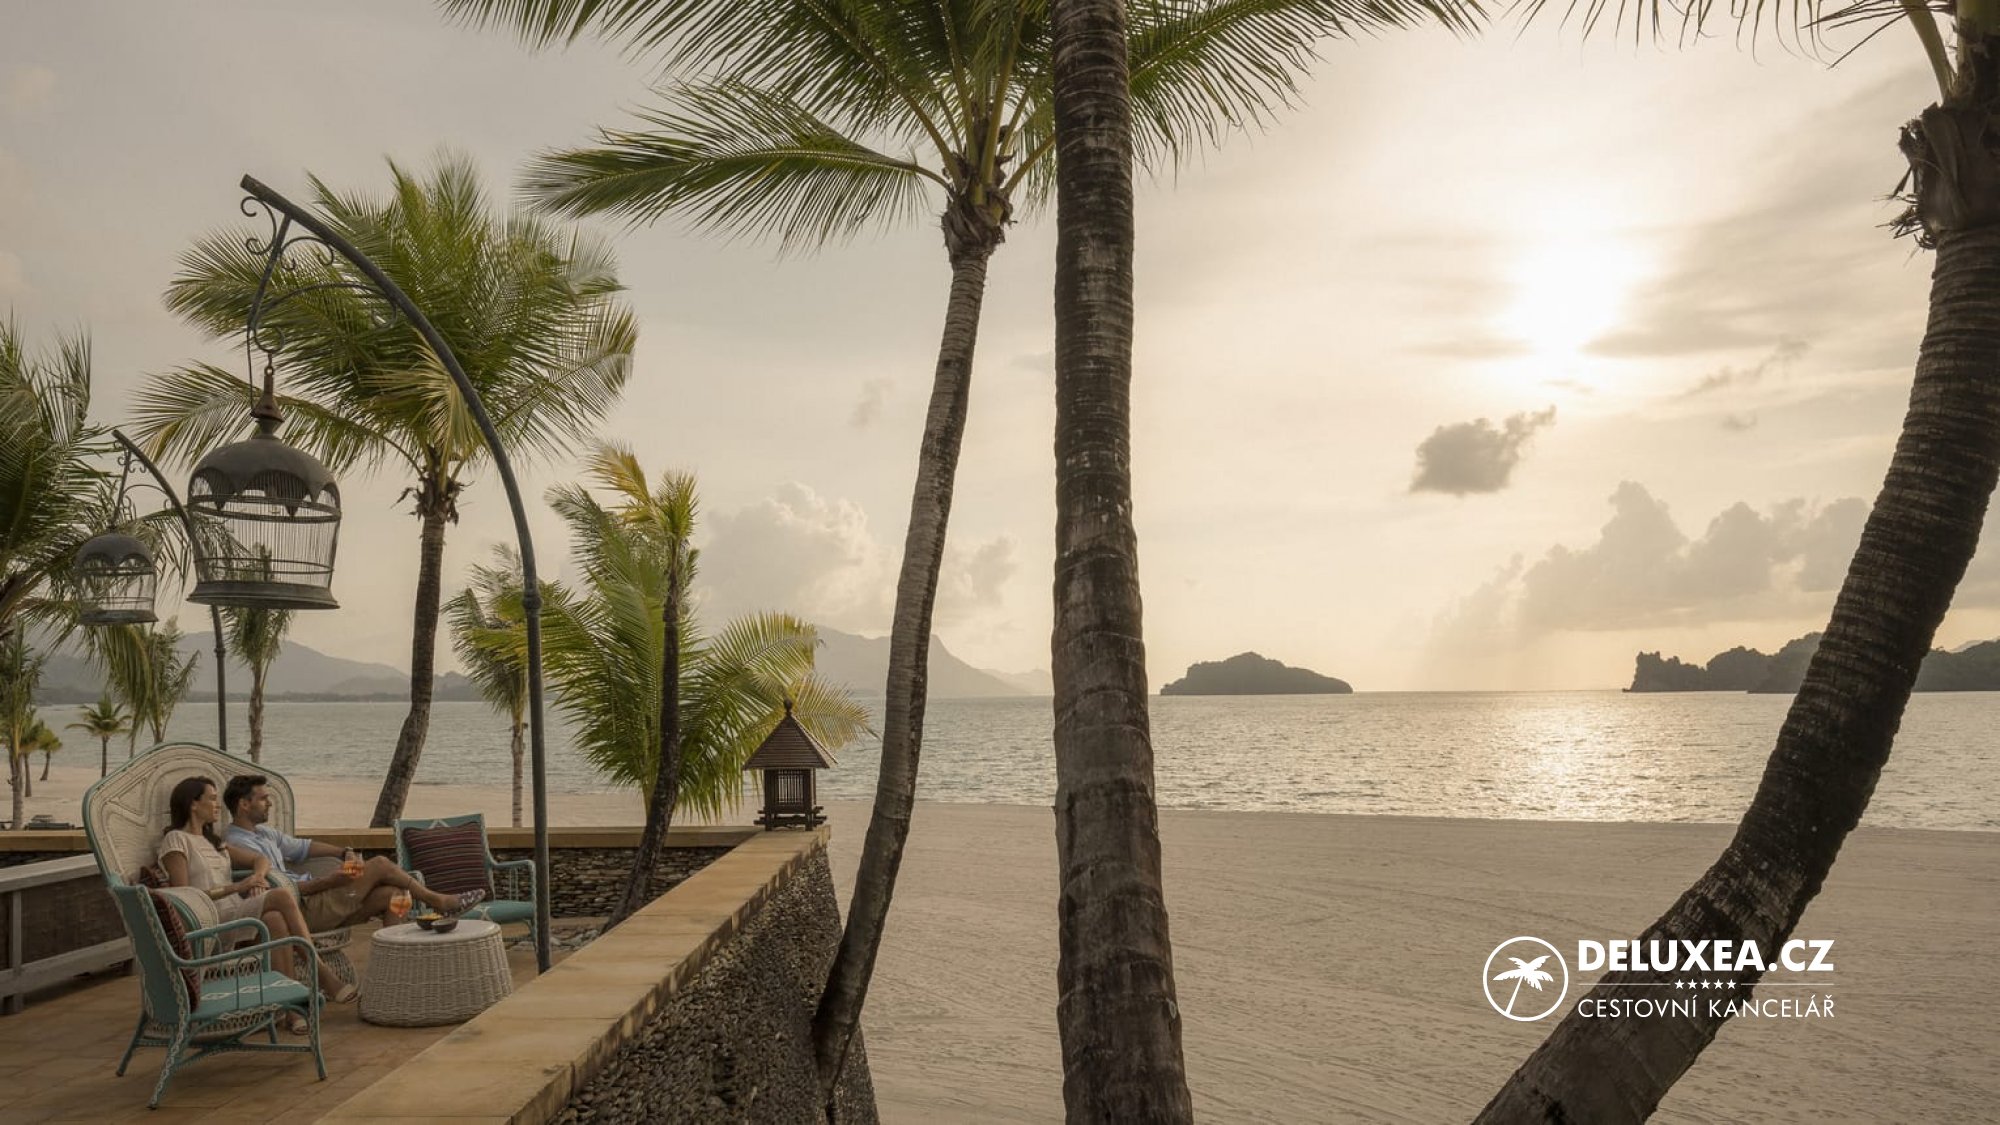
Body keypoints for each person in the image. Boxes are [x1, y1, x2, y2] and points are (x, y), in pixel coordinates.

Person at [158, 776, 351, 1033]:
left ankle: (291, 1010)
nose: (218, 805)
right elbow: (184, 896)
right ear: (193, 804)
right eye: (212, 799)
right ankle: (321, 973)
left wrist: (258, 877)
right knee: (281, 895)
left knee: (275, 920)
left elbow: (260, 859)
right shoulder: (176, 840)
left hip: (233, 913)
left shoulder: (214, 842)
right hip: (208, 920)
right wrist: (237, 887)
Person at [220, 774, 485, 932]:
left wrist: (344, 852)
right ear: (244, 804)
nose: (269, 803)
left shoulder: (265, 833)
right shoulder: (238, 845)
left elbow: (304, 847)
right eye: (263, 798)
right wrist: (331, 881)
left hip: (320, 900)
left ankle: (396, 956)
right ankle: (439, 901)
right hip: (303, 908)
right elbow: (277, 893)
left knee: (396, 895)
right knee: (380, 864)